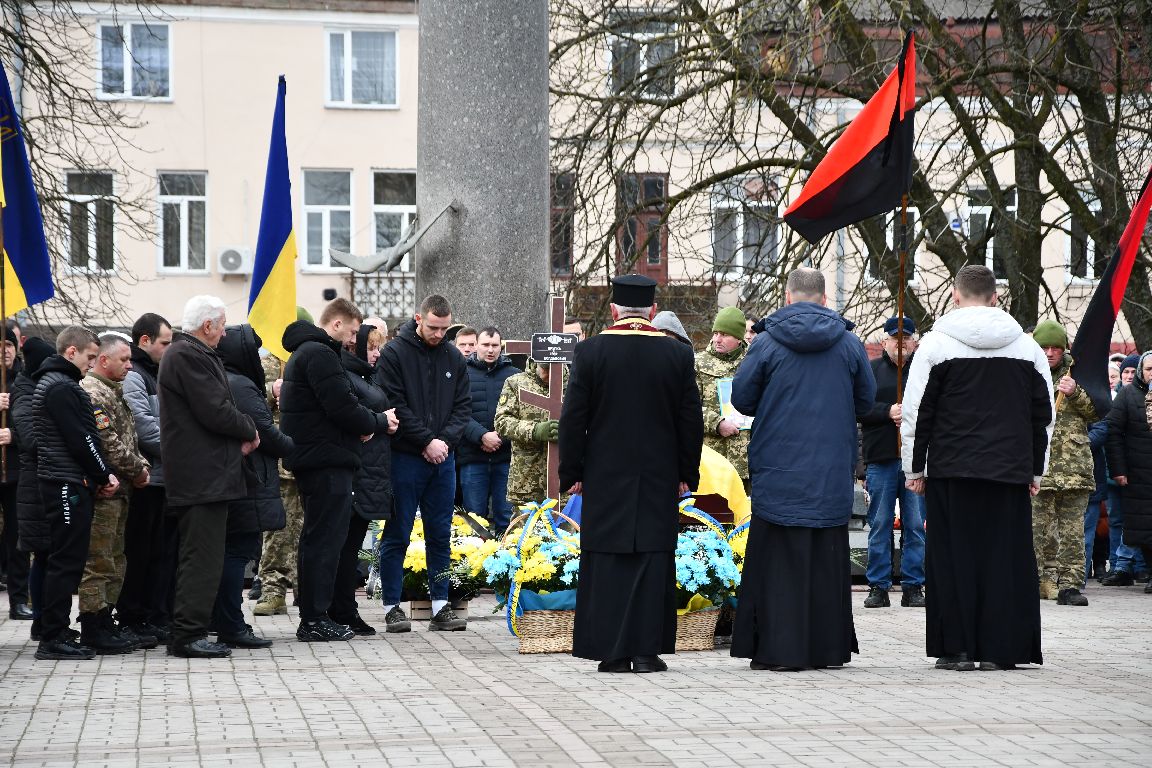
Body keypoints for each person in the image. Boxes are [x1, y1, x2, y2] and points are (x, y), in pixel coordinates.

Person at [901, 265, 1053, 672]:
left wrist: (914, 470)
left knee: (953, 559)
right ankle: (1002, 649)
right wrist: (1036, 471)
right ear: (995, 297)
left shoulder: (935, 346)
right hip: (1008, 470)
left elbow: (917, 412)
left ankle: (957, 648)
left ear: (955, 295)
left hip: (952, 469)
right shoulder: (1027, 349)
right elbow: (1044, 416)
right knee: (1005, 559)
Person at [729, 268, 875, 672]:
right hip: (829, 471)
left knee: (777, 562)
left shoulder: (766, 342)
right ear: (825, 299)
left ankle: (777, 649)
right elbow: (866, 401)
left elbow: (742, 399)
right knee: (826, 560)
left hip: (778, 468)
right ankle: (826, 649)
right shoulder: (849, 343)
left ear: (787, 297)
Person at [559, 274, 704, 674]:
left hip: (605, 474)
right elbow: (691, 420)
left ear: (613, 310)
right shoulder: (677, 355)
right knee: (652, 557)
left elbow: (573, 418)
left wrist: (572, 471)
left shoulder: (590, 351)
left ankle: (612, 652)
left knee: (608, 558)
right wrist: (686, 472)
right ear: (652, 311)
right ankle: (646, 652)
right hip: (659, 474)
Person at [280, 298, 390, 642]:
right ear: (337, 324)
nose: (353, 340)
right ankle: (314, 619)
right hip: (325, 459)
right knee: (324, 541)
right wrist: (376, 422)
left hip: (319, 457)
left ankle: (316, 615)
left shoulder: (308, 352)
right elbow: (342, 406)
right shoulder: (320, 354)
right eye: (353, 332)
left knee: (319, 539)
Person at [159, 296, 259, 659]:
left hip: (206, 475)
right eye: (222, 325)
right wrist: (249, 428)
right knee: (201, 557)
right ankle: (188, 635)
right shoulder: (187, 355)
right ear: (207, 326)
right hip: (201, 477)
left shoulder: (191, 354)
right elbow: (215, 410)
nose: (225, 333)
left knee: (204, 556)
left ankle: (190, 631)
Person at [376, 294, 471, 632]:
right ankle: (392, 606)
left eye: (445, 328)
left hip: (443, 458)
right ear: (419, 319)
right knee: (398, 532)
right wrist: (426, 441)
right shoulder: (394, 353)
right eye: (433, 327)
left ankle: (441, 606)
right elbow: (394, 404)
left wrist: (443, 442)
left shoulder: (453, 357)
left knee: (440, 534)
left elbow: (463, 407)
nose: (439, 334)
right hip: (406, 457)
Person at [32, 326, 119, 661]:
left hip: (65, 479)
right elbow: (81, 439)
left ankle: (56, 629)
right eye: (90, 357)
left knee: (66, 559)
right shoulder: (60, 387)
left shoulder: (59, 383)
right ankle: (52, 637)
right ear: (71, 352)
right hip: (64, 483)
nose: (92, 364)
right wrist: (103, 474)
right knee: (66, 560)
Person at [213, 324, 294, 649]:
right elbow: (265, 431)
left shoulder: (224, 379)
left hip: (236, 477)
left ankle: (223, 619)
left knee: (230, 551)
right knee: (238, 551)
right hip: (247, 480)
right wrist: (293, 445)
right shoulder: (242, 385)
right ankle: (231, 623)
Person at [77, 335, 152, 653]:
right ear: (103, 360)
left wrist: (141, 465)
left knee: (116, 559)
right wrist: (138, 470)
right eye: (124, 359)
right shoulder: (93, 392)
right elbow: (108, 443)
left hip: (121, 490)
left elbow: (129, 437)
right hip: (105, 491)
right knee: (99, 561)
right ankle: (93, 625)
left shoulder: (113, 390)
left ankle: (106, 620)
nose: (130, 365)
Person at [331, 321, 397, 635]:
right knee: (345, 547)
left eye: (378, 348)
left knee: (351, 545)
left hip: (369, 471)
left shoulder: (365, 376)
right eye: (371, 348)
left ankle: (345, 608)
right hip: (358, 472)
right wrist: (381, 421)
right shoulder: (347, 377)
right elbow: (352, 417)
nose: (376, 354)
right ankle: (342, 610)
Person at [858, 316, 925, 609]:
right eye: (895, 339)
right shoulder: (871, 371)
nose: (901, 344)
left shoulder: (923, 371)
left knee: (915, 525)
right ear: (885, 341)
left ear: (914, 342)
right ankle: (878, 585)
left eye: (906, 339)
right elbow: (860, 408)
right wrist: (888, 411)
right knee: (880, 524)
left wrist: (911, 415)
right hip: (882, 458)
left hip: (914, 460)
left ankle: (913, 585)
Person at [1029, 320, 1098, 605]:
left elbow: (1099, 411)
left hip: (1074, 468)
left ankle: (1070, 585)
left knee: (1072, 531)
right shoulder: (1028, 372)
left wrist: (1076, 392)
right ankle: (1033, 582)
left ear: (1064, 349)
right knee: (1035, 529)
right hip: (1038, 466)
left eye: (1054, 348)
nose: (1049, 353)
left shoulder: (1079, 372)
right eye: (1043, 347)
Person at [118, 313, 176, 643]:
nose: (169, 348)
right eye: (165, 342)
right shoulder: (135, 376)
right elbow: (143, 428)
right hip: (145, 480)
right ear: (145, 341)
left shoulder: (156, 373)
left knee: (158, 554)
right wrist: (180, 449)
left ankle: (152, 616)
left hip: (163, 478)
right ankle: (132, 616)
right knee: (139, 553)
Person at [253, 306, 313, 616]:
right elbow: (245, 398)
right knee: (278, 530)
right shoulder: (267, 363)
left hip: (311, 457)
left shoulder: (315, 360)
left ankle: (307, 590)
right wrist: (270, 390)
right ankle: (273, 589)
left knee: (309, 530)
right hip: (279, 460)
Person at [11, 337, 56, 640]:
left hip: (42, 482)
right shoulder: (25, 392)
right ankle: (40, 620)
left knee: (48, 555)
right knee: (43, 555)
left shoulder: (35, 387)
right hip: (35, 486)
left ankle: (45, 619)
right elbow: (29, 438)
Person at [459, 326, 518, 537]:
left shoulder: (515, 376)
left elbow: (520, 414)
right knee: (475, 520)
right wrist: (482, 436)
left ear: (501, 347)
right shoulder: (461, 373)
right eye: (485, 345)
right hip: (472, 456)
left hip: (505, 457)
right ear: (476, 345)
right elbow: (456, 412)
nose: (490, 350)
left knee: (507, 518)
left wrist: (499, 438)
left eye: (495, 345)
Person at [1105, 350, 1152, 593]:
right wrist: (1119, 469)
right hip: (1138, 473)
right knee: (1141, 526)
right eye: (1149, 369)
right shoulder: (1128, 395)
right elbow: (1113, 433)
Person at [495, 360, 565, 513]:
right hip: (526, 480)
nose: (548, 375)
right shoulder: (516, 383)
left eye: (552, 369)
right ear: (535, 362)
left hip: (565, 482)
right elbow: (502, 422)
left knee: (566, 528)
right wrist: (534, 430)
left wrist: (569, 432)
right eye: (544, 368)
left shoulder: (576, 384)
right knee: (524, 528)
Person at [695, 306, 751, 495]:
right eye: (716, 333)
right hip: (712, 461)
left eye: (725, 334)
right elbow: (688, 407)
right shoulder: (698, 363)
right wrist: (717, 423)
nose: (717, 339)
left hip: (747, 462)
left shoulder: (753, 362)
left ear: (739, 338)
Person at [0, 327, 30, 620]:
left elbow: (37, 422)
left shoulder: (24, 380)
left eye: (9, 343)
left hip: (16, 471)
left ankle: (19, 600)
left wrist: (14, 435)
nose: (4, 349)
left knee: (18, 538)